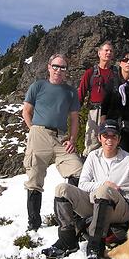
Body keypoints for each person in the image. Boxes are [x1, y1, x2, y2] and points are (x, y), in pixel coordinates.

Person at [42, 119, 129, 259]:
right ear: (99, 138)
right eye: (106, 135)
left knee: (103, 191)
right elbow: (82, 184)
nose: (110, 139)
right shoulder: (93, 156)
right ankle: (67, 241)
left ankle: (95, 247)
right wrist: (104, 184)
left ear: (119, 139)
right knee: (62, 189)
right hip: (95, 203)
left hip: (121, 208)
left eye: (114, 136)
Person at [22, 53, 83, 231]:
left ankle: (73, 217)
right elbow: (26, 111)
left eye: (62, 67)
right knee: (34, 178)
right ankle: (33, 223)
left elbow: (74, 119)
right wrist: (33, 129)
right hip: (39, 133)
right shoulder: (38, 86)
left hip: (61, 137)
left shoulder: (71, 92)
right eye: (55, 66)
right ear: (49, 67)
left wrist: (72, 139)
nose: (58, 70)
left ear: (66, 71)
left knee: (77, 170)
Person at [78, 40, 116, 157]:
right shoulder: (90, 72)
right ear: (99, 53)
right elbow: (81, 92)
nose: (108, 53)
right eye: (106, 50)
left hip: (111, 112)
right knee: (92, 142)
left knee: (110, 141)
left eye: (111, 51)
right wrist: (74, 111)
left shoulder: (116, 73)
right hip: (94, 111)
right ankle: (87, 167)